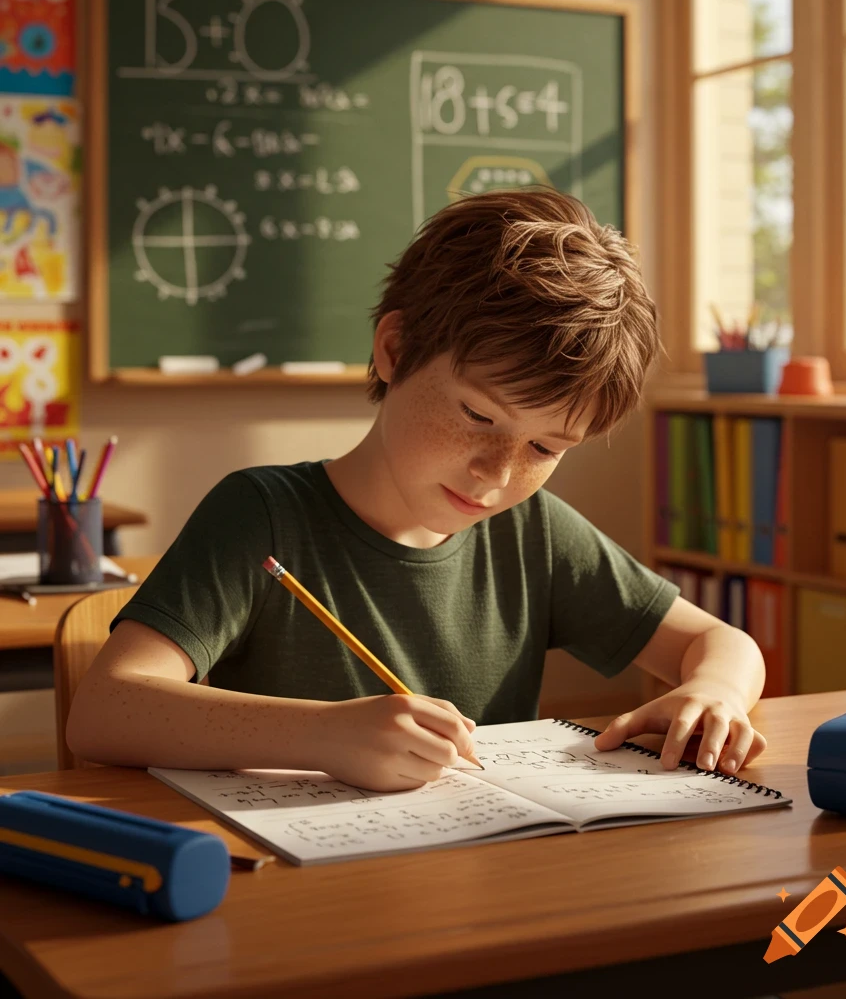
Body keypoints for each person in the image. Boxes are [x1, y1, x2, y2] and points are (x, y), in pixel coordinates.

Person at [67, 188, 767, 792]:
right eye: (478, 417)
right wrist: (323, 736)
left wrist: (716, 690)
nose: (497, 474)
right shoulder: (263, 517)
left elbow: (720, 642)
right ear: (395, 350)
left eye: (546, 447)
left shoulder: (535, 535)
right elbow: (101, 714)